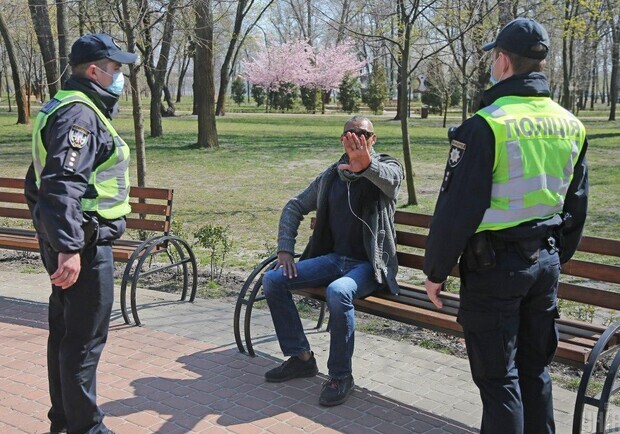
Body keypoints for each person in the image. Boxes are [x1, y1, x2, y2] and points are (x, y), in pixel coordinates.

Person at [423, 18, 588, 434]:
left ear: (502, 61)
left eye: (493, 58)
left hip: (496, 268)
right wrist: (554, 254)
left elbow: (456, 209)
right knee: (534, 370)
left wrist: (435, 272)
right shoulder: (571, 124)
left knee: (499, 380)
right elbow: (577, 204)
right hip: (544, 263)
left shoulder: (486, 124)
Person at [24, 33, 137, 434]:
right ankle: (86, 428)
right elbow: (60, 183)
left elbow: (36, 181)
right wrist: (69, 247)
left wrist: (54, 238)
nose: (120, 76)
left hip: (68, 239)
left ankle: (64, 422)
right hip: (84, 245)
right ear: (95, 71)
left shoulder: (64, 105)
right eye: (116, 69)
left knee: (66, 337)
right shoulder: (81, 116)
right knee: (83, 344)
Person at [262, 116, 403, 406]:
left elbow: (392, 182)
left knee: (338, 291)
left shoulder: (387, 167)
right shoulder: (331, 176)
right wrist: (285, 250)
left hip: (368, 267)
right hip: (334, 260)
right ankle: (301, 358)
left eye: (363, 134)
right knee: (273, 279)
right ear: (343, 139)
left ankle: (340, 376)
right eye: (351, 133)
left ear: (373, 139)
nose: (357, 138)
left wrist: (366, 165)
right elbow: (294, 206)